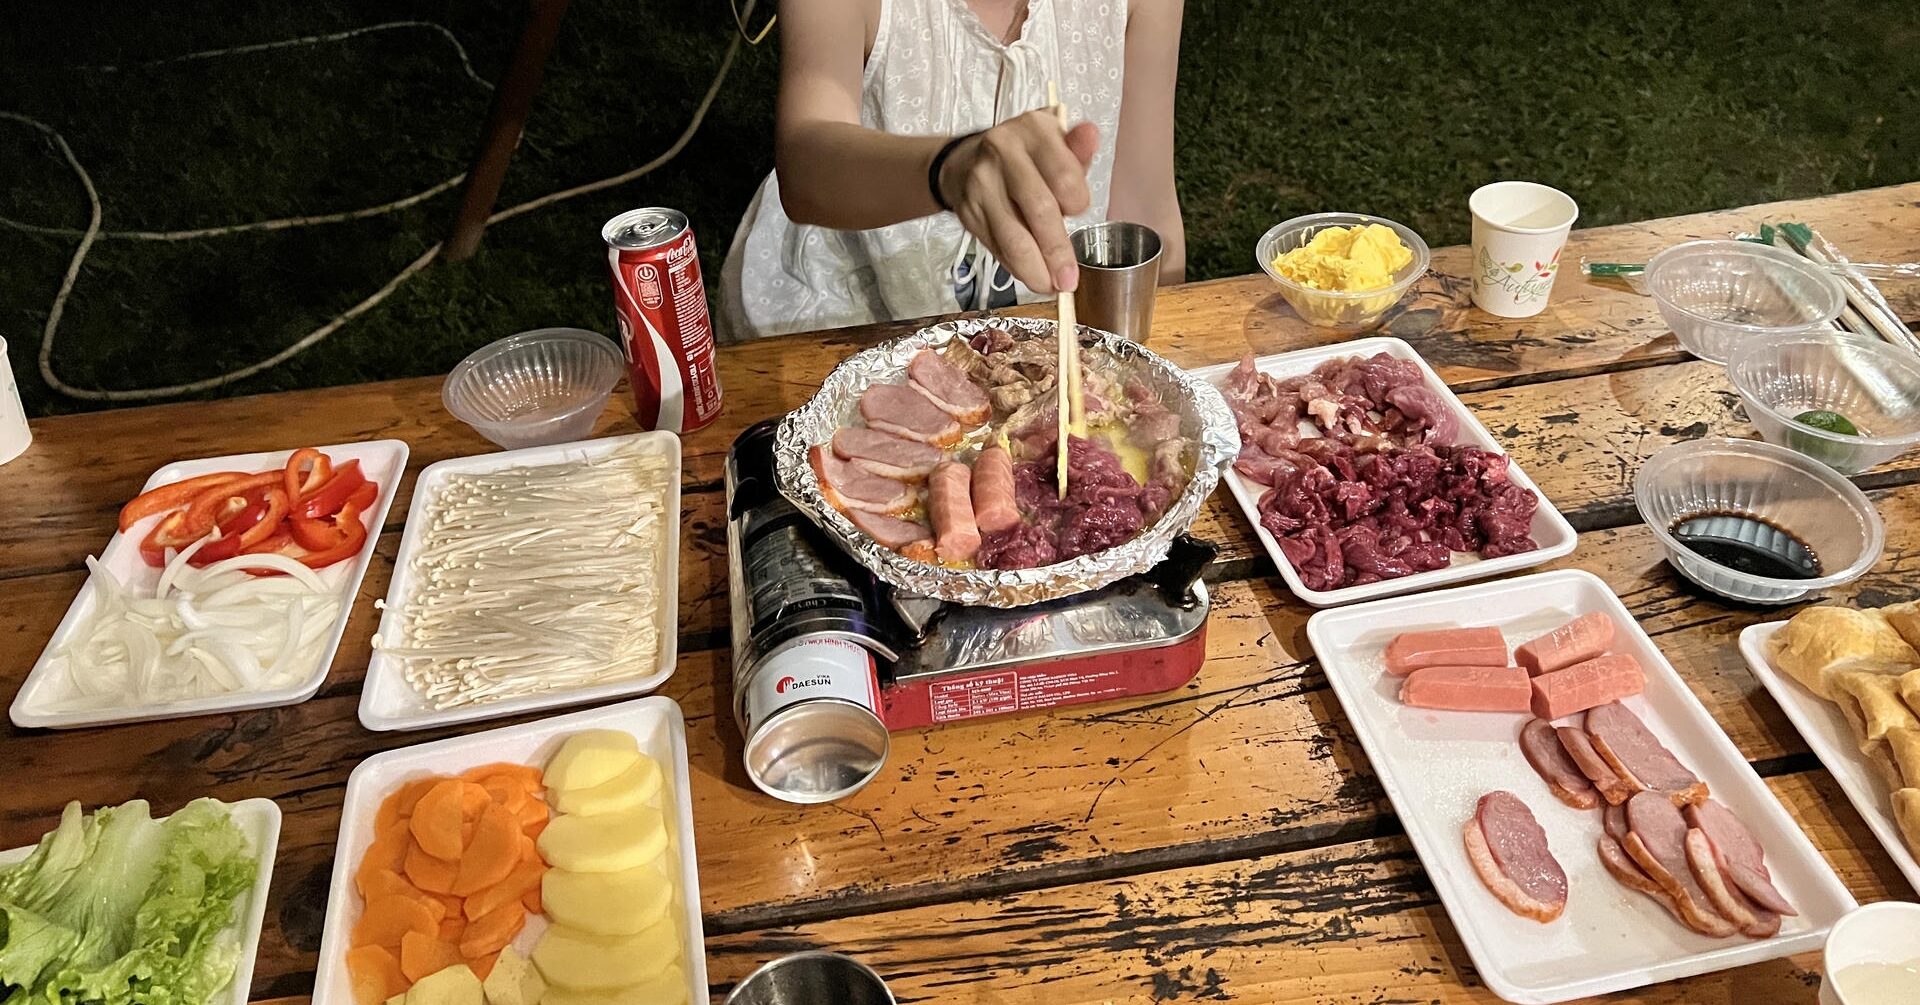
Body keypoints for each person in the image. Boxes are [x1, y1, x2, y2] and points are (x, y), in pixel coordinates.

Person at [719, 0, 1185, 342]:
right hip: (845, 320)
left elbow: (1143, 202)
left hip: (1040, 336)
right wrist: (948, 168)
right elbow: (806, 167)